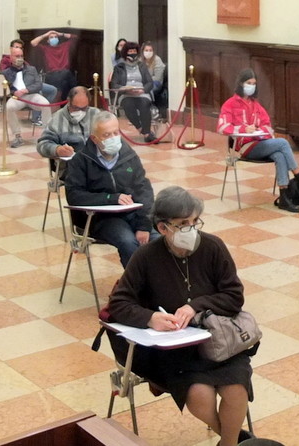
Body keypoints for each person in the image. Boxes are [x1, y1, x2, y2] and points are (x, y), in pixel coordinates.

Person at [105, 186, 254, 446]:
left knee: (236, 390)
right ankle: (235, 440)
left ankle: (228, 444)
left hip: (219, 341)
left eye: (195, 221)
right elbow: (118, 303)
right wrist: (150, 317)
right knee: (200, 395)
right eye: (183, 224)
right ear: (163, 228)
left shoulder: (213, 247)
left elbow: (234, 296)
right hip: (175, 352)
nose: (191, 228)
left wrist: (196, 306)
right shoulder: (146, 256)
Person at [217, 68, 299, 212]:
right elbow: (222, 127)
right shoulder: (230, 104)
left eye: (254, 83)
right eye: (248, 83)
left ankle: (284, 196)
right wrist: (243, 129)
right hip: (244, 147)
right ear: (241, 84)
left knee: (279, 155)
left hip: (260, 143)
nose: (251, 86)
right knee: (283, 143)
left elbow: (267, 126)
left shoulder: (256, 105)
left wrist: (259, 131)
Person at [62, 112, 153, 267]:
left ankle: (156, 281)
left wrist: (144, 225)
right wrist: (111, 198)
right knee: (128, 242)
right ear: (94, 138)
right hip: (101, 218)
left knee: (159, 240)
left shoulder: (129, 155)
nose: (113, 138)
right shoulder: (81, 161)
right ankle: (135, 282)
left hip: (132, 212)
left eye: (116, 133)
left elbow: (144, 189)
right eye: (106, 135)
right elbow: (74, 195)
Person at [0, 40, 51, 147]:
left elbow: (38, 84)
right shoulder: (5, 72)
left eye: (21, 56)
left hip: (31, 95)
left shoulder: (31, 69)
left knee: (46, 104)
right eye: (17, 56)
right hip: (16, 98)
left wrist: (26, 90)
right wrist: (12, 92)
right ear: (11, 58)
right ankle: (17, 136)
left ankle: (47, 135)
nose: (20, 58)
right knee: (9, 107)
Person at [110, 40, 157, 142]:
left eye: (134, 51)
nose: (132, 53)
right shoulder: (119, 68)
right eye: (130, 51)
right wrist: (125, 89)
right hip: (126, 95)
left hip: (142, 93)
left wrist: (143, 90)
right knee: (128, 105)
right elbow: (114, 84)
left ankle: (147, 134)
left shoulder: (142, 66)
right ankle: (141, 129)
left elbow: (149, 82)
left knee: (144, 105)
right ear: (125, 53)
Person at [38, 86, 99, 159]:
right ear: (69, 101)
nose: (80, 111)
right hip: (71, 163)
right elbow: (42, 145)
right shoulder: (57, 118)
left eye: (84, 108)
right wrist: (57, 150)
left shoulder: (96, 114)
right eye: (75, 108)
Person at [29, 29, 78, 100]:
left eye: (55, 37)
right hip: (52, 74)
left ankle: (71, 99)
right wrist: (46, 35)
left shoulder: (64, 46)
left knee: (67, 82)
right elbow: (33, 43)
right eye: (51, 37)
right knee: (67, 77)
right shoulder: (45, 48)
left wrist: (60, 34)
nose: (54, 38)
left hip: (65, 74)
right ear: (48, 41)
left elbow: (75, 37)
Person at [140, 41, 168, 120]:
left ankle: (151, 109)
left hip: (156, 83)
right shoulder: (139, 60)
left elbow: (157, 77)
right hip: (142, 84)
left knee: (147, 89)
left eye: (150, 50)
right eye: (146, 50)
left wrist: (145, 80)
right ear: (142, 51)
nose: (148, 52)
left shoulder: (157, 60)